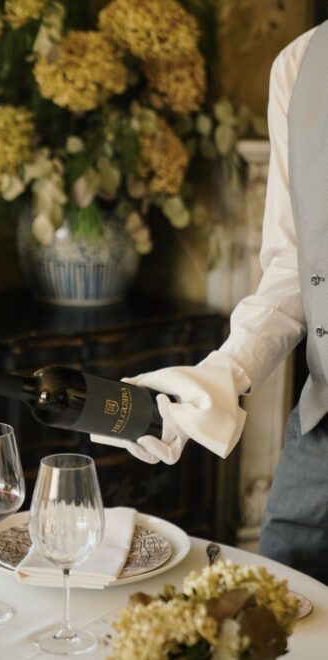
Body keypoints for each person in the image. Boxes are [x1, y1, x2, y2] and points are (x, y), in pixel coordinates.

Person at [93, 23, 328, 585]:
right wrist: (216, 378)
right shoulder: (300, 65)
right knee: (271, 604)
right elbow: (293, 267)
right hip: (323, 426)